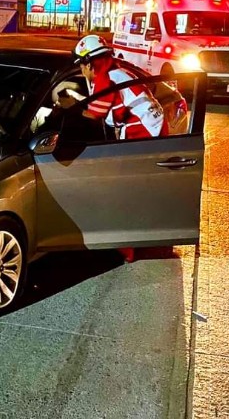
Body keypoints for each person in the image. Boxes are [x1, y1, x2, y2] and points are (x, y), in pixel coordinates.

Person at [60, 34, 169, 262]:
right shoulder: (117, 70)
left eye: (81, 65)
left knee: (123, 190)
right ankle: (151, 237)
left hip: (142, 133)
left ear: (90, 62)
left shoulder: (105, 78)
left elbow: (95, 114)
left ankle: (125, 250)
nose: (81, 70)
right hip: (153, 128)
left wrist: (69, 107)